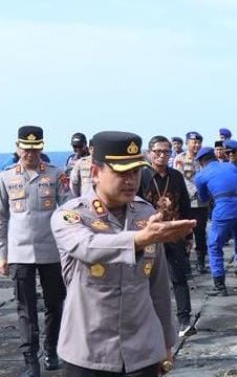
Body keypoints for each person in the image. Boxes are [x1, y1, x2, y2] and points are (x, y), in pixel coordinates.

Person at [50, 131, 196, 377]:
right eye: (121, 172)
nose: (130, 180)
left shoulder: (145, 213)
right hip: (89, 352)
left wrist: (166, 342)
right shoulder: (72, 216)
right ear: (96, 173)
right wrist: (140, 239)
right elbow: (88, 246)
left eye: (135, 172)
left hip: (142, 350)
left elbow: (158, 286)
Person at [0, 126, 69, 376]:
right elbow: (2, 219)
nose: (30, 152)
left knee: (55, 304)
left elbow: (69, 210)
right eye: (26, 148)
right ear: (18, 148)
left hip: (51, 250)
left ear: (41, 147)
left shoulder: (55, 174)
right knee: (24, 308)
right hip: (19, 252)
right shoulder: (6, 177)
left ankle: (51, 350)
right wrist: (3, 254)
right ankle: (31, 360)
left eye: (35, 147)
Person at [138, 136, 196, 337]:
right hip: (150, 235)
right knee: (146, 279)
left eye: (166, 152)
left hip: (173, 234)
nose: (162, 155)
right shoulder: (142, 176)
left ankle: (184, 320)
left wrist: (189, 234)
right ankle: (149, 321)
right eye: (158, 152)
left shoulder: (176, 176)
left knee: (179, 277)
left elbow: (186, 205)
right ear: (149, 153)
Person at [194, 147, 237, 295]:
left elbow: (203, 198)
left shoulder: (201, 175)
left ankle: (219, 285)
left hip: (223, 210)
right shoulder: (230, 166)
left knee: (214, 245)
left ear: (201, 161)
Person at [174, 131, 209, 273]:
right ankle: (185, 261)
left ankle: (201, 262)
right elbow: (179, 179)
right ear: (187, 143)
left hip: (201, 203)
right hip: (186, 201)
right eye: (193, 142)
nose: (196, 145)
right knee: (185, 232)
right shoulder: (180, 159)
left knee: (200, 233)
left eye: (199, 142)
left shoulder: (205, 159)